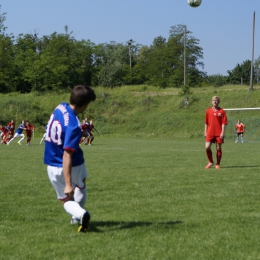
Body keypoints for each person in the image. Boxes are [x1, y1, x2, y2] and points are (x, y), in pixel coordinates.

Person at [44, 85, 96, 232]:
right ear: (85, 104)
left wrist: (81, 134)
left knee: (65, 200)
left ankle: (77, 215)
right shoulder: (74, 125)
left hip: (52, 163)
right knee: (79, 186)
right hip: (72, 162)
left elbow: (62, 130)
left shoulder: (60, 107)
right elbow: (67, 155)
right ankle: (81, 214)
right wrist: (68, 184)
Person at [204, 96, 228, 169]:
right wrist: (205, 131)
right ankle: (210, 162)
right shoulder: (208, 111)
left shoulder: (222, 111)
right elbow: (206, 122)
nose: (215, 102)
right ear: (211, 101)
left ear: (218, 102)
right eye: (214, 100)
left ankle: (218, 164)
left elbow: (223, 123)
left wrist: (222, 132)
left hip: (218, 132)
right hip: (210, 132)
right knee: (207, 147)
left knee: (218, 147)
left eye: (216, 100)